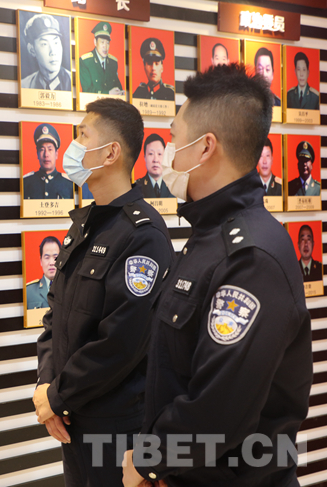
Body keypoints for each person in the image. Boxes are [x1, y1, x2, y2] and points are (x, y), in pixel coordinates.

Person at [122, 63, 312, 487]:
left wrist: (150, 460)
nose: (168, 154)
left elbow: (219, 409)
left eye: (174, 139)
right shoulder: (210, 236)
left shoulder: (252, 257)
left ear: (205, 147)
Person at [34, 98, 174, 485]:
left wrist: (57, 397)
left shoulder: (143, 234)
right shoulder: (84, 226)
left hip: (116, 428)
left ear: (110, 153)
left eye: (82, 135)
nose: (73, 146)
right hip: (72, 418)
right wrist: (46, 387)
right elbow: (55, 315)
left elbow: (121, 342)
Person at [21, 14, 72, 91]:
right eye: (44, 44)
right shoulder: (25, 86)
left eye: (56, 43)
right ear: (32, 49)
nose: (53, 52)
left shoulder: (73, 82)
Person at [23, 124, 74, 200]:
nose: (46, 154)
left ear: (56, 154)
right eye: (42, 149)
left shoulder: (69, 184)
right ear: (37, 153)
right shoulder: (26, 182)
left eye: (50, 149)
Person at [78, 22, 123, 95]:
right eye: (102, 42)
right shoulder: (86, 62)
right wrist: (108, 93)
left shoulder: (113, 63)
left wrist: (120, 92)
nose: (105, 46)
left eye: (107, 43)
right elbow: (87, 90)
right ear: (95, 42)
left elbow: (118, 86)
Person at [25, 236, 60, 309]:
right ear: (41, 261)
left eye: (55, 258)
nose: (51, 263)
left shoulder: (71, 290)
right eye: (47, 257)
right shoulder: (28, 292)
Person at [134, 133, 173, 198]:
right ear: (145, 157)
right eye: (151, 154)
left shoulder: (173, 186)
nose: (155, 160)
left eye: (159, 154)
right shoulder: (137, 187)